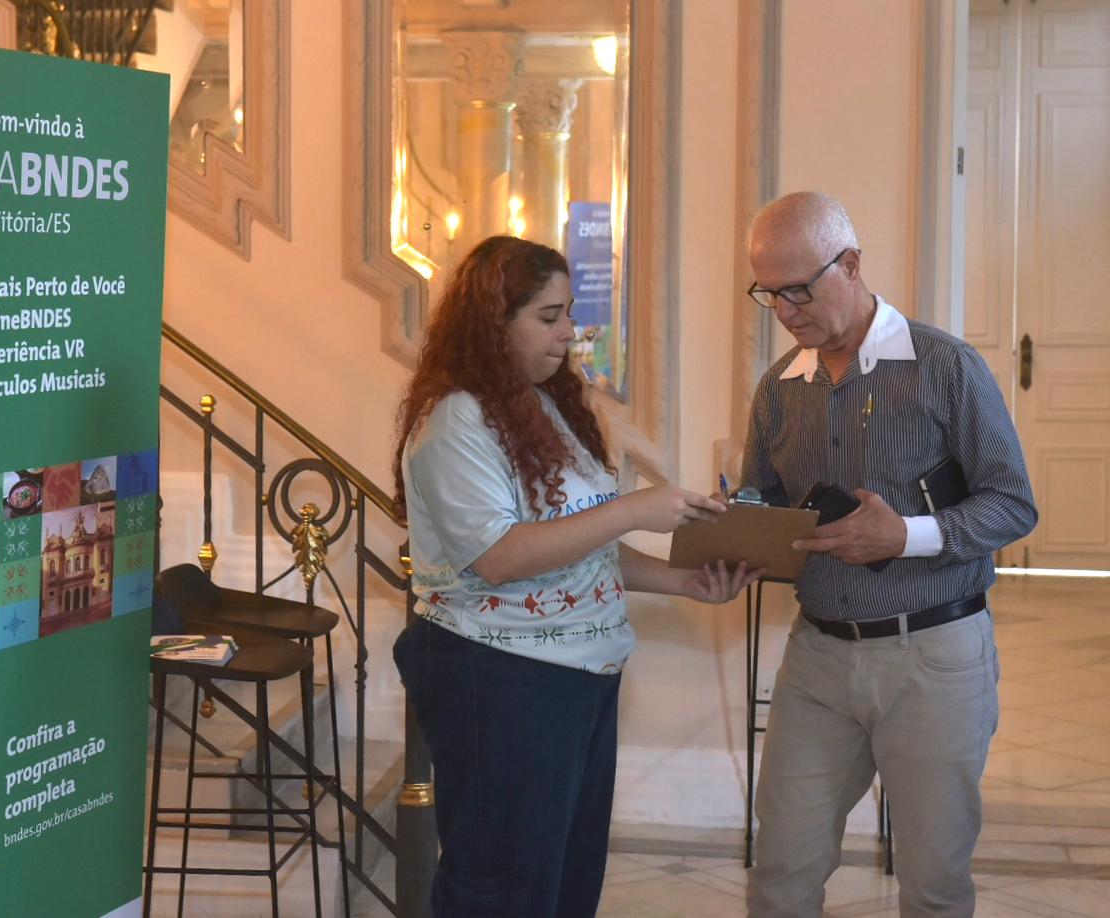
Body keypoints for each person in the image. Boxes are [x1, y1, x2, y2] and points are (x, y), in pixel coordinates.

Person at [392, 235, 759, 918]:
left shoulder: (545, 407)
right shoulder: (455, 418)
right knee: (501, 886)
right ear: (494, 322)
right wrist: (635, 510)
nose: (569, 331)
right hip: (499, 675)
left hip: (579, 674)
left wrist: (683, 581)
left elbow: (578, 547)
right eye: (549, 316)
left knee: (564, 881)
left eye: (568, 314)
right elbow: (500, 556)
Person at [739, 192, 1037, 917]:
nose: (785, 311)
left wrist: (905, 535)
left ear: (850, 265)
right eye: (769, 294)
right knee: (781, 868)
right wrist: (734, 533)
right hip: (817, 657)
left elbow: (1013, 504)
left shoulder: (947, 366)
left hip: (934, 656)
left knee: (934, 884)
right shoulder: (778, 389)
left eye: (798, 289)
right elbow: (765, 501)